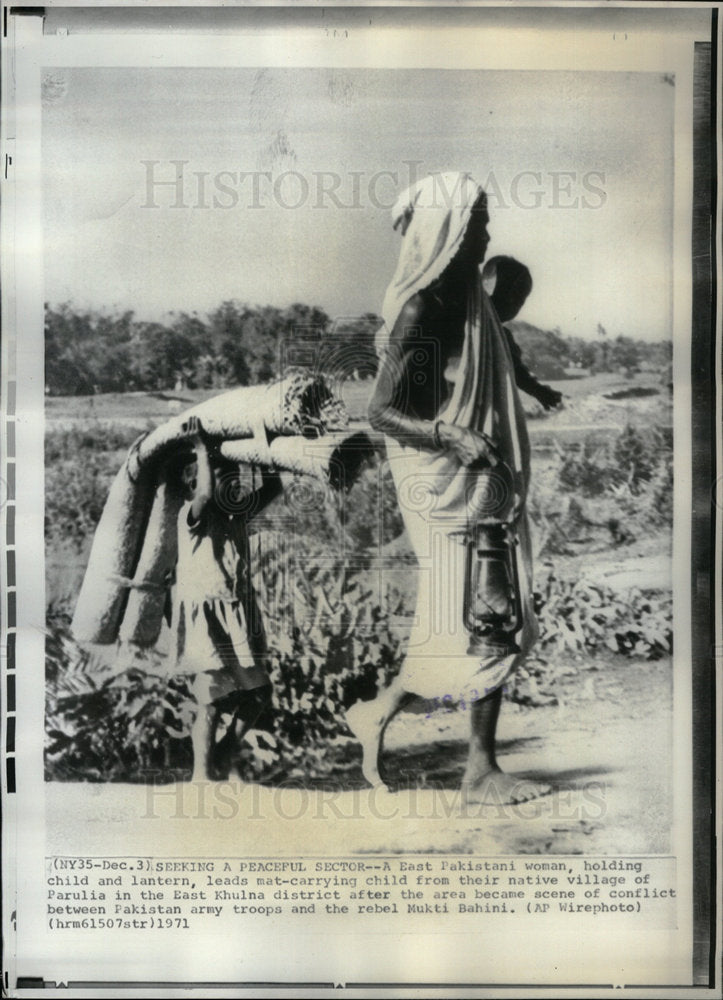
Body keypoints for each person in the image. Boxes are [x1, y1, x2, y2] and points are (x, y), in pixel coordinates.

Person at [346, 171, 550, 805]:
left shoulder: (474, 305)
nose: (486, 232)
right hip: (443, 479)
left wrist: (532, 392)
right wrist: (453, 437)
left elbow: (507, 358)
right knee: (489, 611)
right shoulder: (422, 310)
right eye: (478, 222)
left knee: (481, 616)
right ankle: (479, 771)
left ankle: (381, 712)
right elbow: (380, 413)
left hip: (483, 475)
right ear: (449, 230)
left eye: (485, 221)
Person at [171, 416, 281, 781]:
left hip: (235, 612)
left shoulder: (235, 513)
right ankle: (201, 776)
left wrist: (258, 451)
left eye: (232, 477)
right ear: (193, 481)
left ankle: (225, 750)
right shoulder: (193, 515)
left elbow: (272, 486)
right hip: (205, 613)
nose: (230, 484)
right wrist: (203, 450)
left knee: (259, 692)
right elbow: (204, 493)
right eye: (222, 475)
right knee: (211, 699)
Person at [483, 254, 563, 412]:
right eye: (508, 294)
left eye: (520, 298)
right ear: (487, 289)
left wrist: (538, 391)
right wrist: (538, 391)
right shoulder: (462, 321)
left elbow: (516, 371)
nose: (513, 303)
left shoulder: (501, 336)